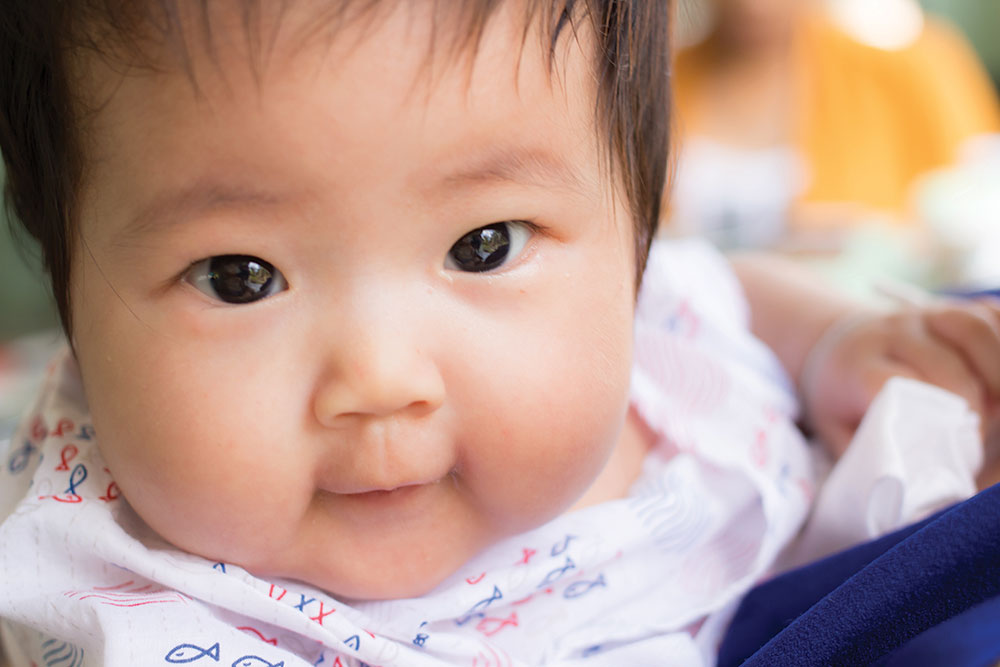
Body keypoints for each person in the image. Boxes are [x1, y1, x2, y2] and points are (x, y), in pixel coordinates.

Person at [0, 1, 999, 665]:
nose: (381, 379)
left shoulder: (644, 317)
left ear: (633, 222)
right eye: (240, 278)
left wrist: (830, 339)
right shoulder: (126, 598)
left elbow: (711, 283)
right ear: (70, 282)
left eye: (482, 246)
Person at [669, 0, 1000, 250]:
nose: (755, 6)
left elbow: (982, 220)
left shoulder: (912, 72)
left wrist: (868, 241)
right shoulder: (657, 85)